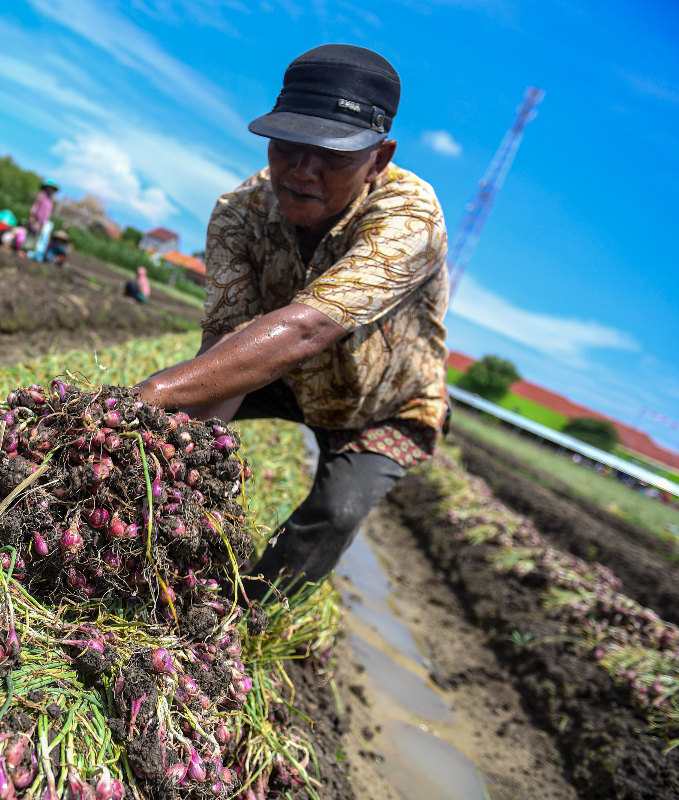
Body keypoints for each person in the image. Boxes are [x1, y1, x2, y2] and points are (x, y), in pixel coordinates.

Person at [133, 44, 449, 597]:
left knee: (336, 512)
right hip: (278, 374)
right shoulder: (240, 212)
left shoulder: (410, 215)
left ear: (379, 157)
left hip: (377, 401)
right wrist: (173, 455)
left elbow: (308, 327)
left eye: (334, 157)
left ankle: (249, 611)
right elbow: (227, 339)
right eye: (289, 148)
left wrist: (150, 392)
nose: (304, 171)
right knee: (173, 433)